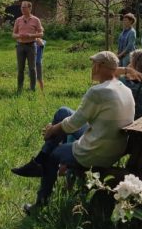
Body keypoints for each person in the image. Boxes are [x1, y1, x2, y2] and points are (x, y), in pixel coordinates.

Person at [10, 51, 135, 212]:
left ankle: (40, 202)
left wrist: (52, 130)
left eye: (93, 64)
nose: (92, 68)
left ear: (98, 66)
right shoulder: (124, 89)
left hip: (97, 151)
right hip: (114, 146)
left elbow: (74, 124)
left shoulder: (98, 92)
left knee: (52, 156)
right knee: (63, 112)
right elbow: (78, 120)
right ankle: (39, 159)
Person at [115, 49, 142, 119]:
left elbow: (108, 73)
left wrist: (127, 70)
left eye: (131, 63)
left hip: (129, 124)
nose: (128, 65)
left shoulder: (128, 84)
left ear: (137, 66)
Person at [12, 1, 44, 93]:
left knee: (32, 68)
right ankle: (19, 89)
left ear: (30, 8)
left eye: (24, 7)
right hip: (20, 46)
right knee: (20, 68)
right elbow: (13, 34)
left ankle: (32, 89)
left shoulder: (36, 20)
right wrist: (19, 36)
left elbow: (41, 33)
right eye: (21, 7)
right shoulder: (18, 20)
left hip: (31, 46)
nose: (22, 9)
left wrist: (30, 35)